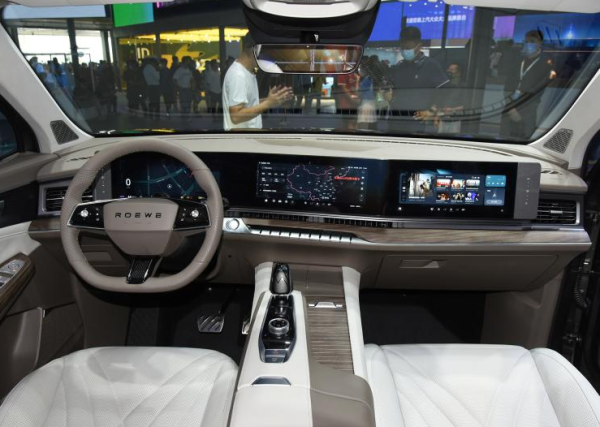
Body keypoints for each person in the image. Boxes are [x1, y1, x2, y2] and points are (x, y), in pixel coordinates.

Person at [222, 34, 293, 130]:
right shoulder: (238, 75)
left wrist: (272, 101)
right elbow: (236, 116)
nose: (265, 57)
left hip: (248, 136)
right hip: (242, 138)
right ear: (250, 49)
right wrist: (267, 103)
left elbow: (250, 103)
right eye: (262, 51)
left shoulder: (246, 72)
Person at [388, 26, 449, 133]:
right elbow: (395, 91)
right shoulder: (400, 66)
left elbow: (446, 92)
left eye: (408, 48)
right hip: (395, 120)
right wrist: (389, 94)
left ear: (419, 46)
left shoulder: (431, 65)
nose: (404, 51)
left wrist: (431, 111)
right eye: (402, 48)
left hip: (416, 123)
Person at [500, 29, 553, 140]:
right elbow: (508, 85)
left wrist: (519, 108)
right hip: (510, 106)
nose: (529, 44)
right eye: (526, 41)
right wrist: (511, 107)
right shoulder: (518, 60)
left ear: (539, 43)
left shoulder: (545, 63)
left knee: (524, 139)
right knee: (503, 138)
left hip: (528, 108)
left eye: (532, 41)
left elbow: (538, 89)